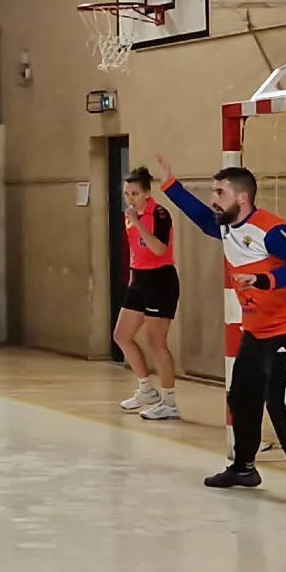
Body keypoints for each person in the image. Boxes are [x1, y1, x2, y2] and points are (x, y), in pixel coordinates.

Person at [155, 154, 286, 512]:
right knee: (242, 397)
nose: (213, 199)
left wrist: (264, 280)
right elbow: (201, 217)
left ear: (242, 198)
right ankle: (244, 468)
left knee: (280, 403)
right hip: (257, 331)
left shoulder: (271, 228)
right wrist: (171, 185)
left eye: (219, 192)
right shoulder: (226, 227)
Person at [116, 166, 179, 420]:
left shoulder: (160, 214)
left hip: (160, 280)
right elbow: (135, 249)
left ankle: (169, 401)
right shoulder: (129, 215)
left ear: (146, 194)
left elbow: (159, 249)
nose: (130, 198)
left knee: (156, 342)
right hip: (139, 279)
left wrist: (139, 223)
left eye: (134, 193)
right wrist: (132, 275)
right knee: (121, 335)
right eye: (127, 193)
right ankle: (146, 390)